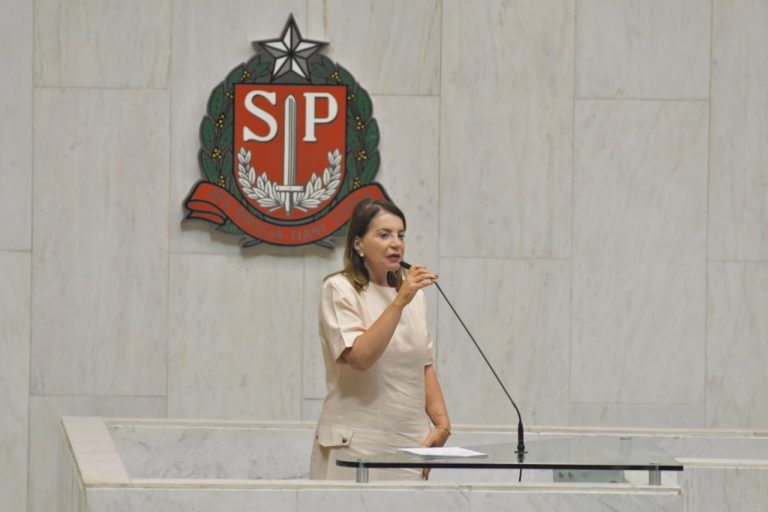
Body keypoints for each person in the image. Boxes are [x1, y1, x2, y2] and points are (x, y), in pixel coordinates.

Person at [309, 198, 451, 480]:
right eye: (384, 234)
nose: (396, 243)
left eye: (401, 235)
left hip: (410, 444)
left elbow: (423, 365)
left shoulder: (415, 296)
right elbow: (360, 358)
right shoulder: (339, 289)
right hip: (354, 446)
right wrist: (399, 301)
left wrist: (442, 425)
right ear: (359, 244)